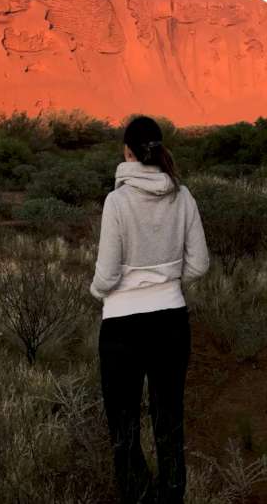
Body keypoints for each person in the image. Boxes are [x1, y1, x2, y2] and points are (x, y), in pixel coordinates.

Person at [90, 115, 210, 504]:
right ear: (158, 150)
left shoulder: (117, 201)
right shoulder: (183, 195)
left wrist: (98, 291)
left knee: (123, 428)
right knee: (169, 423)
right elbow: (199, 265)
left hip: (122, 329)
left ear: (127, 152)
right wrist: (167, 280)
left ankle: (137, 497)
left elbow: (107, 274)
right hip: (172, 324)